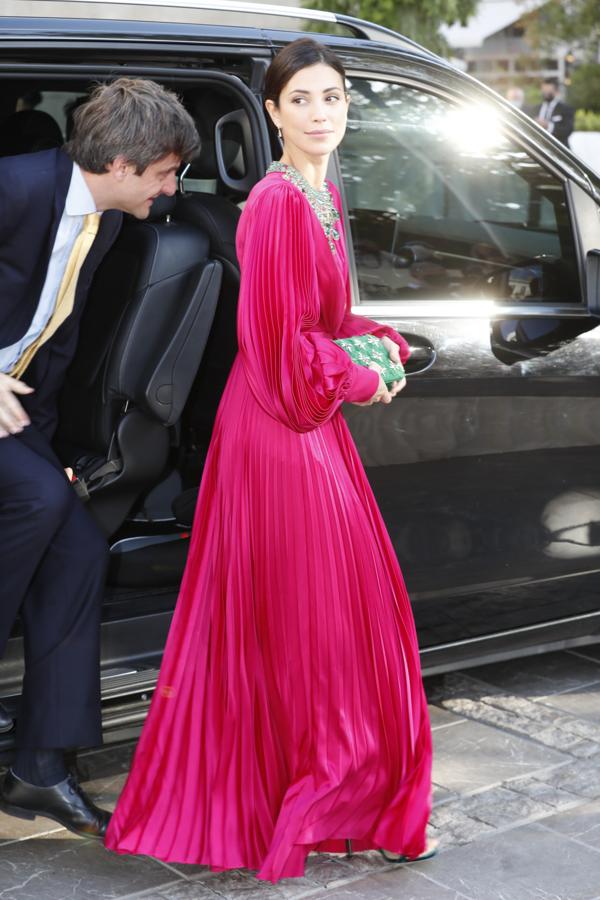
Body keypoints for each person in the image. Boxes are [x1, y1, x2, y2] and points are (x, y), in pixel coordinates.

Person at [105, 38, 436, 881]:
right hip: (281, 426)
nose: (321, 114)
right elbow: (280, 350)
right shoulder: (280, 203)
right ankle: (311, 799)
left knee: (315, 626)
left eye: (333, 98)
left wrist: (377, 343)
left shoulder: (325, 193)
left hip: (303, 420)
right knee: (320, 628)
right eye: (303, 102)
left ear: (346, 104)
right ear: (273, 114)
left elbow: (320, 322)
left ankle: (326, 797)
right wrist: (364, 378)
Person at [0, 77, 199, 839]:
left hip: (20, 414)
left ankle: (40, 768)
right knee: (39, 503)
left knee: (79, 540)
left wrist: (64, 452)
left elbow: (54, 347)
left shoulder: (105, 221)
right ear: (120, 162)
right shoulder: (15, 189)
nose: (173, 189)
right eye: (164, 173)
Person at [528, 77, 574, 146]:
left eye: (548, 91)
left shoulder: (565, 109)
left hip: (559, 149)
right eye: (544, 90)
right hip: (538, 148)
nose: (545, 93)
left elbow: (568, 130)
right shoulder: (535, 109)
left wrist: (548, 126)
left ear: (556, 91)